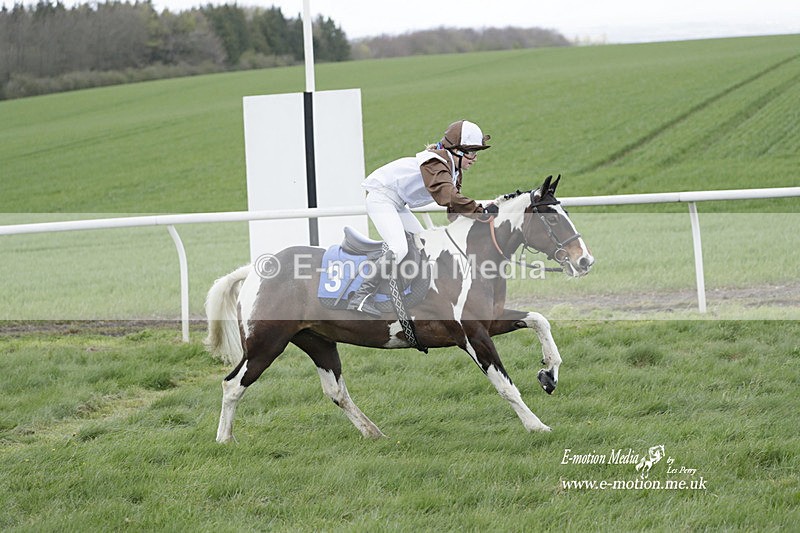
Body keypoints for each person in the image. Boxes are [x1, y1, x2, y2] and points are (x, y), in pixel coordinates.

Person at [348, 119, 493, 316]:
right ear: (456, 151)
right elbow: (448, 196)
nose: (474, 158)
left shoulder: (453, 170)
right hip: (381, 198)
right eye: (471, 152)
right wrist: (480, 210)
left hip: (397, 203)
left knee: (424, 245)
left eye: (477, 153)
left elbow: (454, 210)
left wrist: (478, 224)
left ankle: (410, 292)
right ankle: (361, 296)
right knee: (399, 248)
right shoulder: (435, 163)